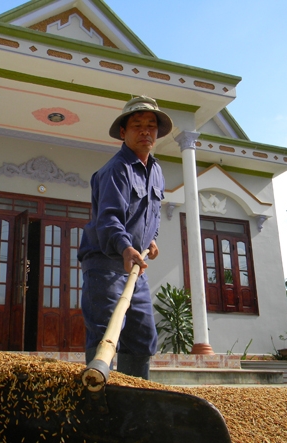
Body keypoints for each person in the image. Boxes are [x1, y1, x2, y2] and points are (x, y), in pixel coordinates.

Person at [78, 95, 172, 379]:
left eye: (151, 126)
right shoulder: (115, 170)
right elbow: (108, 218)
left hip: (134, 267)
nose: (145, 131)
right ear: (123, 132)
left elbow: (150, 215)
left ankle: (134, 398)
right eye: (137, 125)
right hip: (106, 264)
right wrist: (126, 246)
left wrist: (150, 239)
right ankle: (96, 400)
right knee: (105, 332)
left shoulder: (156, 171)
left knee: (142, 334)